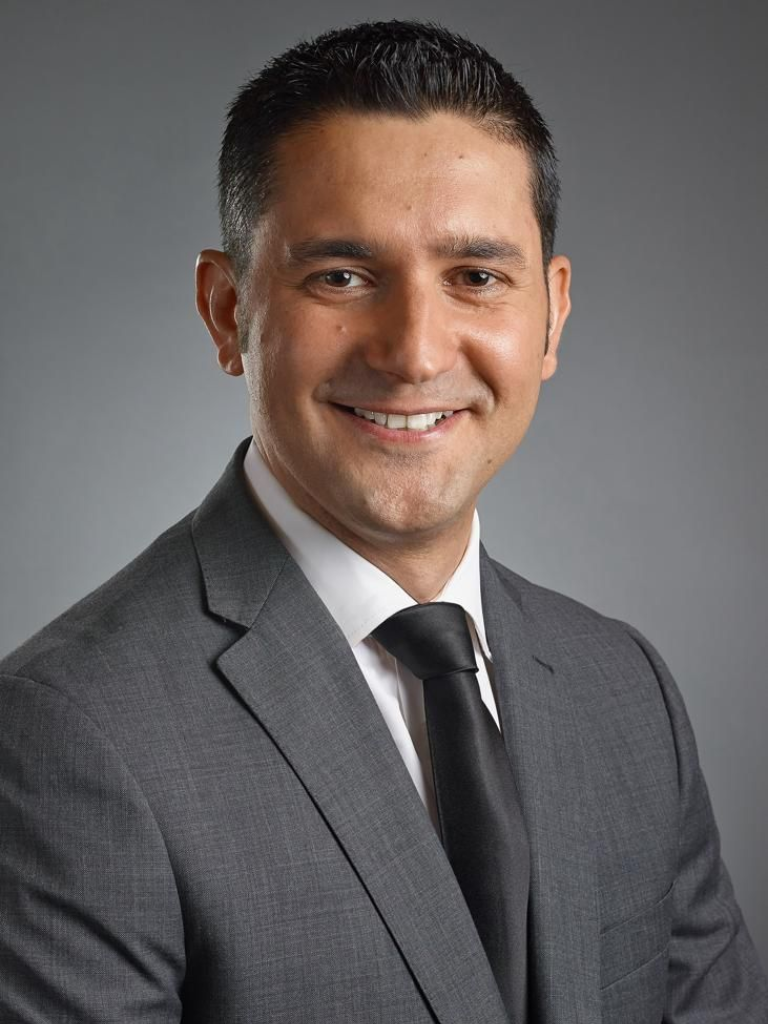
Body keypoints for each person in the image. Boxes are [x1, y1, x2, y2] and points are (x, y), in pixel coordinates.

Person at [1, 19, 765, 1024]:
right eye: (341, 277)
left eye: (477, 277)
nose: (412, 351)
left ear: (552, 316)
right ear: (228, 311)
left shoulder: (627, 696)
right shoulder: (70, 738)